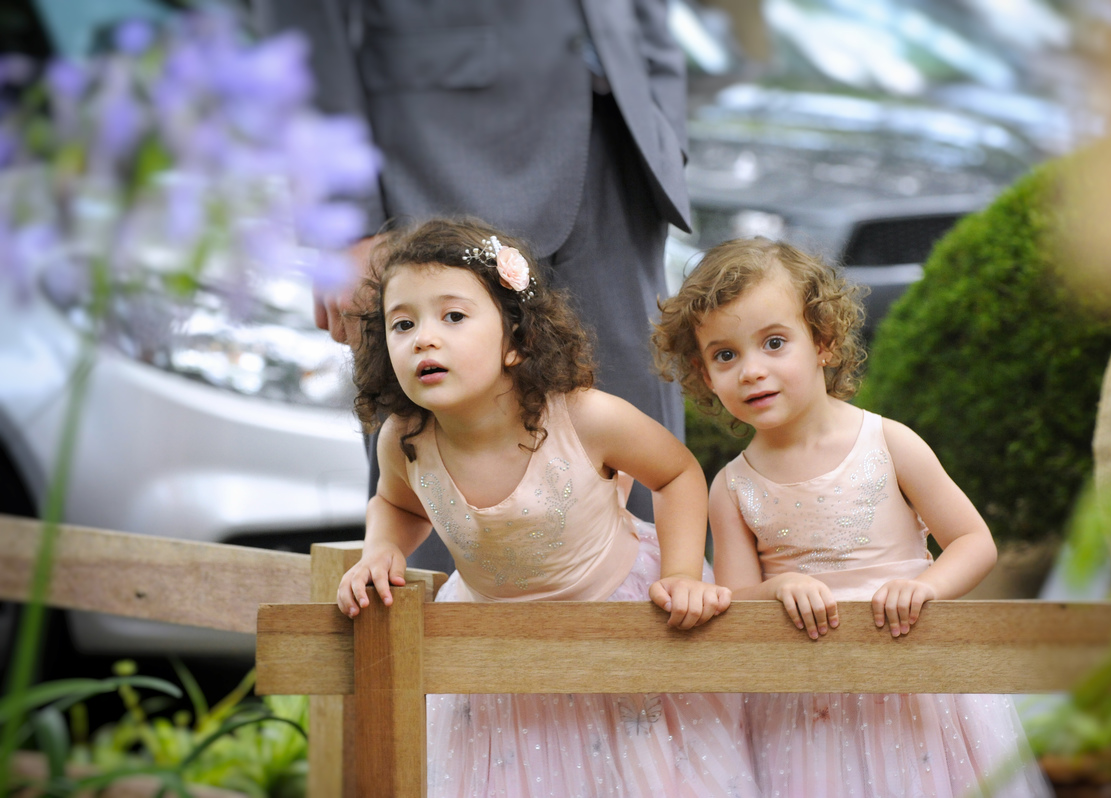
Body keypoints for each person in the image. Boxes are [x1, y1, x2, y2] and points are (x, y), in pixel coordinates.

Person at [253, 1, 689, 571]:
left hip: (621, 140)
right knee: (434, 454)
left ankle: (647, 661)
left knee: (642, 456)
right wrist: (343, 223)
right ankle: (442, 663)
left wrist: (663, 116)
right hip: (432, 160)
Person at [336, 218, 758, 797]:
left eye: (453, 316)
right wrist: (382, 548)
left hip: (612, 619)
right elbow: (397, 503)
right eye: (402, 323)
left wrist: (683, 573)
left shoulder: (584, 418)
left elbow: (678, 473)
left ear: (517, 339)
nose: (424, 338)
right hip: (494, 638)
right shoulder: (405, 439)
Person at [652, 237, 1051, 797]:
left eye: (773, 342)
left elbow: (972, 540)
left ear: (824, 343)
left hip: (913, 683)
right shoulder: (732, 486)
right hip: (807, 706)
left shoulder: (889, 443)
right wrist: (779, 586)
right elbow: (735, 603)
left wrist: (926, 588)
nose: (751, 371)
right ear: (704, 373)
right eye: (725, 355)